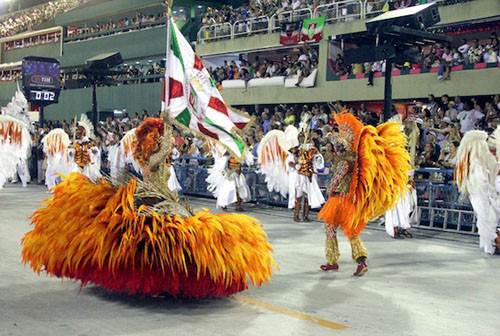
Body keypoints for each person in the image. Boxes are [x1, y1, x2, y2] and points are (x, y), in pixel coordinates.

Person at [22, 116, 276, 298]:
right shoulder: (150, 159)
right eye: (156, 137)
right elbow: (164, 152)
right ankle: (154, 283)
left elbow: (168, 152)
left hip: (168, 197)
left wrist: (168, 127)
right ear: (150, 141)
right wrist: (166, 125)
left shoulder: (155, 156)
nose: (159, 141)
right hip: (153, 200)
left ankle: (171, 282)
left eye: (159, 137)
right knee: (157, 244)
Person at [318, 112, 410, 276]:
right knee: (352, 232)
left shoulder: (345, 162)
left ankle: (332, 261)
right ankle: (361, 260)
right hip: (350, 201)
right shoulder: (355, 160)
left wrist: (329, 189)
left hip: (338, 200)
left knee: (330, 228)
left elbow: (336, 180)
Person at [455, 130, 500, 255]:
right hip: (481, 195)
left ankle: (489, 244)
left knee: (488, 219)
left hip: (484, 195)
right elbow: (482, 181)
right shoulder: (475, 163)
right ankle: (489, 245)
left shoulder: (478, 161)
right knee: (486, 219)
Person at [293, 134, 325, 222]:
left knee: (307, 197)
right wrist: (296, 165)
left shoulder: (313, 150)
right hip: (301, 176)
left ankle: (305, 216)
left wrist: (317, 158)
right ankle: (296, 215)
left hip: (309, 176)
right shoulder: (297, 150)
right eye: (300, 138)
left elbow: (318, 160)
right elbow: (292, 161)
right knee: (299, 196)